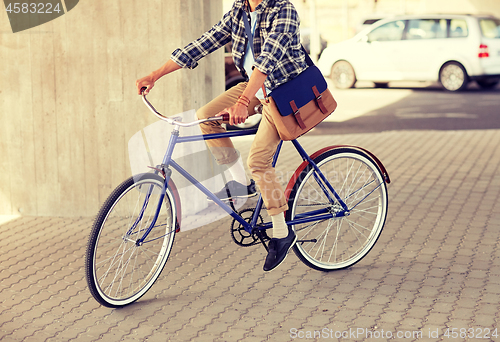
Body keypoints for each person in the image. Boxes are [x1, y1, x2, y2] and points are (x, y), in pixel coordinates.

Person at [136, 0, 309, 271]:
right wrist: (155, 74)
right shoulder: (238, 12)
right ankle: (242, 184)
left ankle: (282, 231)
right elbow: (201, 44)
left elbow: (267, 61)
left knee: (259, 161)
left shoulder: (283, 10)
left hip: (286, 92)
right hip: (255, 88)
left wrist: (243, 102)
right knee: (206, 118)